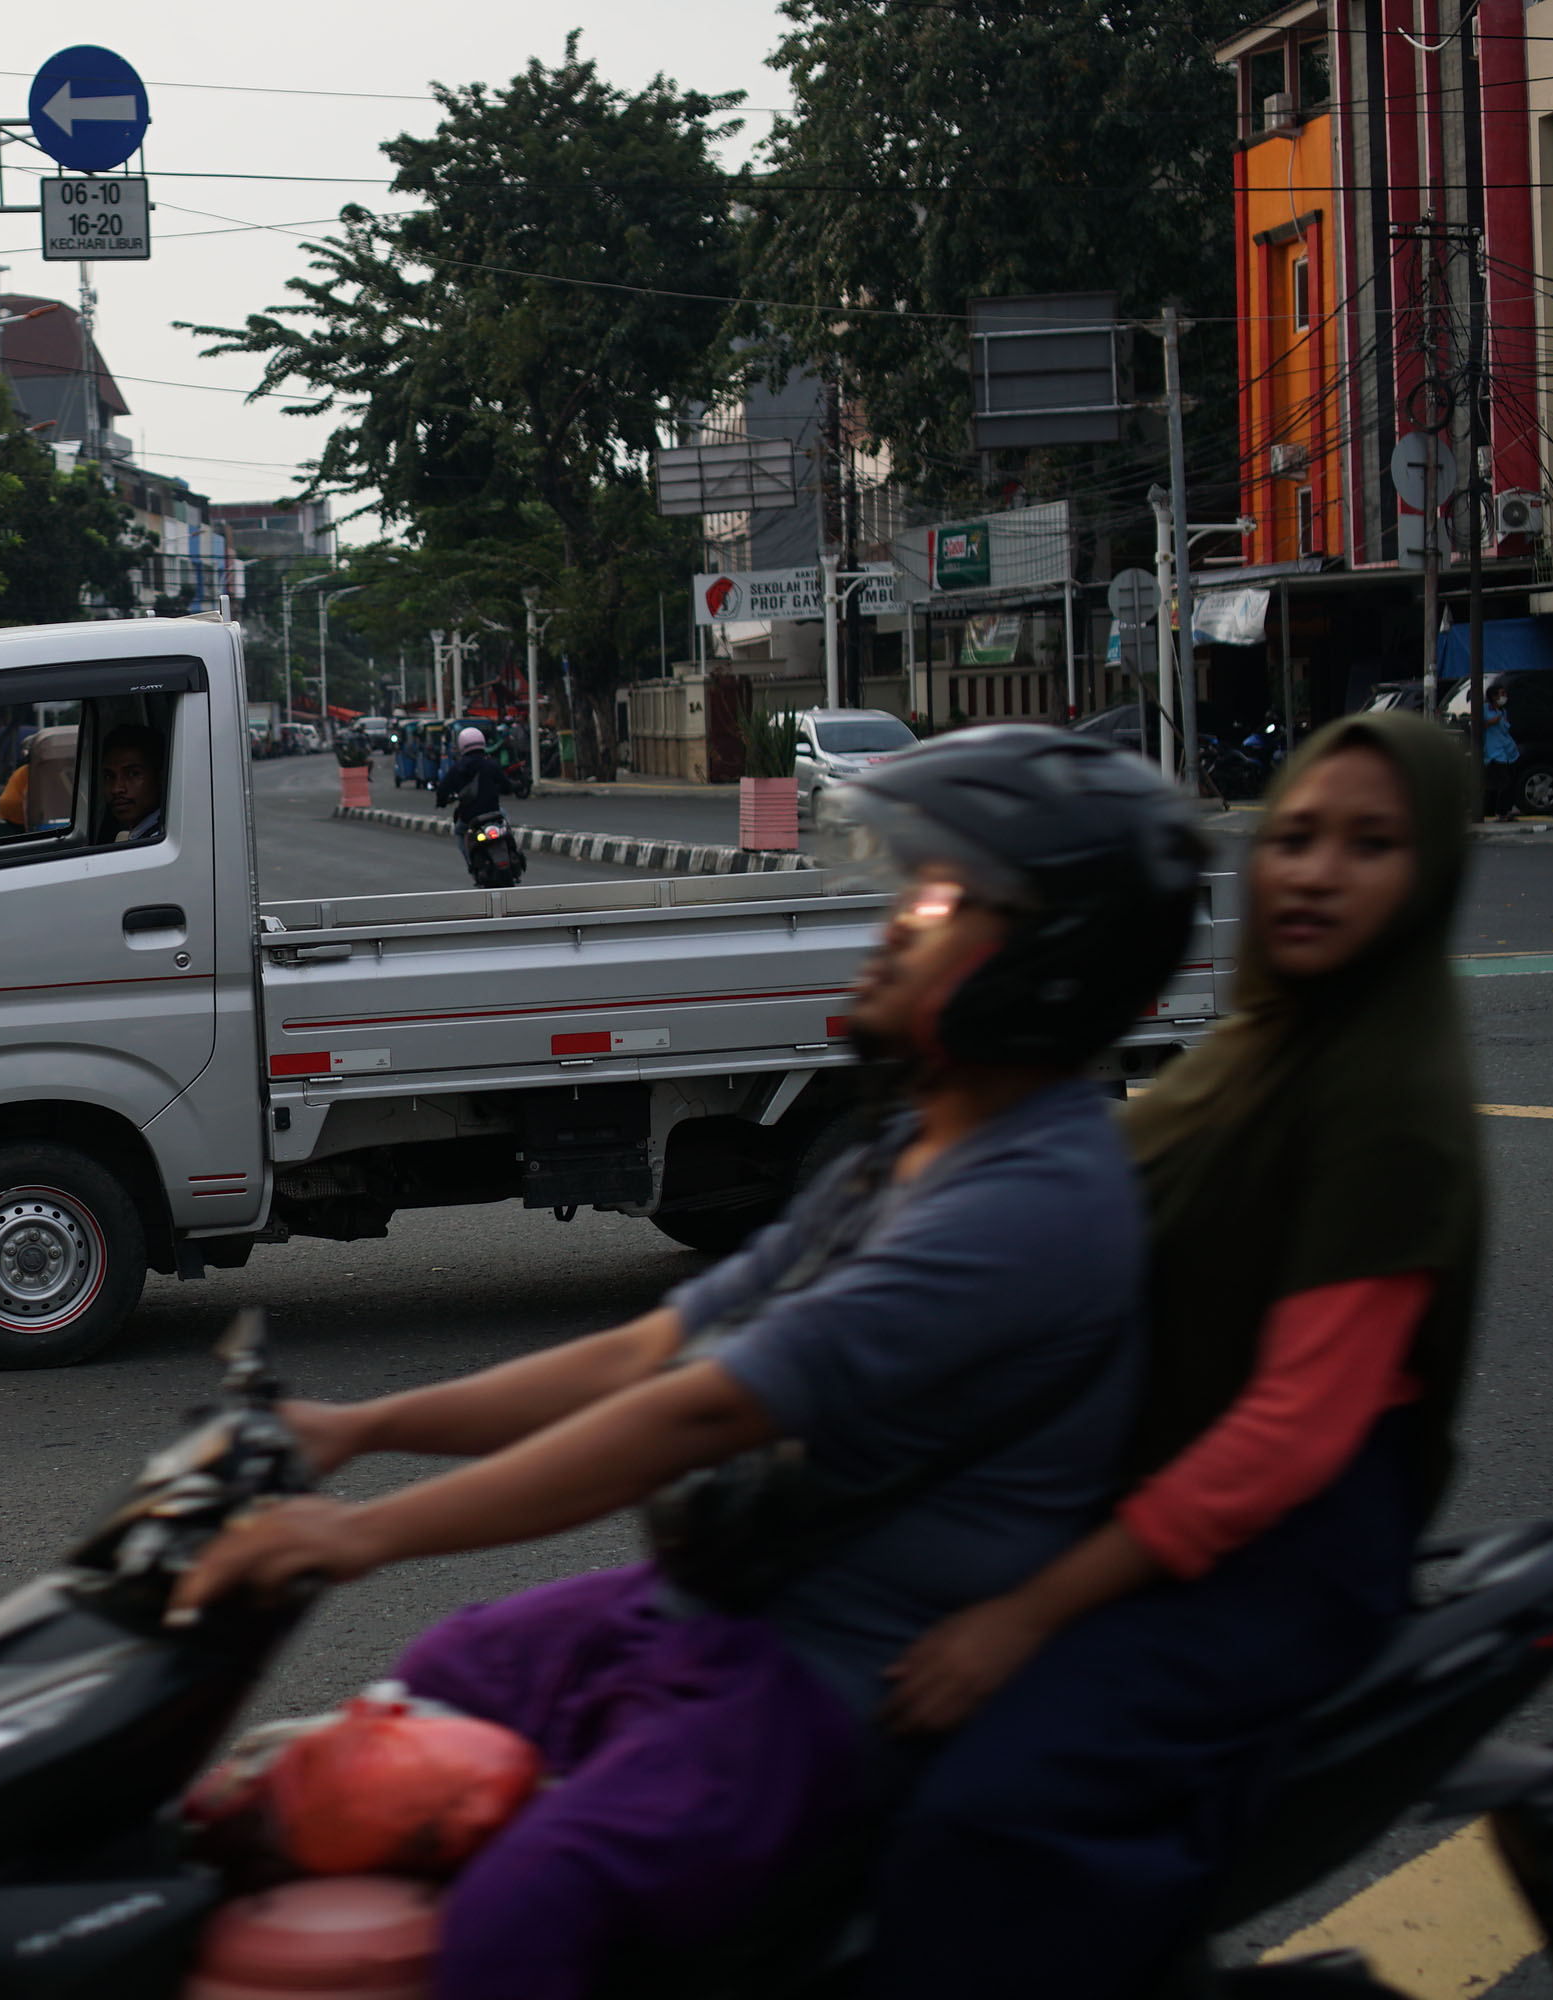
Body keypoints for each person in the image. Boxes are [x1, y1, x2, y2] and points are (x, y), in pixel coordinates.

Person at [172, 727, 1203, 2000]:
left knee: (517, 1910)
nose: (890, 924)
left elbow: (694, 1407)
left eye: (934, 900)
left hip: (825, 1680)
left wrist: (359, 1537)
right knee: (431, 1689)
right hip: (721, 1610)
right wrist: (357, 1426)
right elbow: (648, 1344)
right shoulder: (903, 1154)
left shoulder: (1026, 1203)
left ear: (1046, 963)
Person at [869, 711, 1483, 2000]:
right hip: (1144, 1488)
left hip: (1270, 1553)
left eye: (1370, 844)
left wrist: (1027, 1612)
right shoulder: (1256, 1040)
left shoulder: (1388, 1103)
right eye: (1297, 833)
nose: (1312, 871)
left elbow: (1291, 1433)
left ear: (1427, 873)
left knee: (989, 1812)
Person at [95, 723, 168, 844]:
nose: (117, 788)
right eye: (109, 776)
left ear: (161, 778)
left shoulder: (160, 841)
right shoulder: (144, 836)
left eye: (133, 774)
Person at [1481, 674, 1520, 821]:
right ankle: (1500, 811)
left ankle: (1507, 811)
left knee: (1510, 783)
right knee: (1504, 783)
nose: (1504, 697)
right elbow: (1479, 725)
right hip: (1494, 753)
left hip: (1508, 751)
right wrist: (1491, 722)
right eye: (1501, 694)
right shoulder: (1485, 709)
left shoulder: (1503, 712)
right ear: (1493, 696)